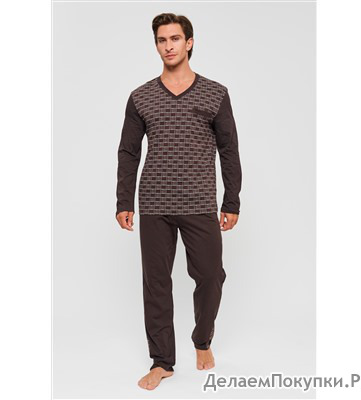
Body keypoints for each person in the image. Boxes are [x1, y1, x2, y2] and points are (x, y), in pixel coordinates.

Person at [115, 12, 242, 390]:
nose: (168, 46)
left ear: (189, 43)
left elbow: (229, 149)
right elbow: (128, 152)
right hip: (154, 203)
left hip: (200, 202)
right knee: (156, 283)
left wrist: (231, 201)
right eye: (161, 40)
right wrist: (124, 200)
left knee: (210, 275)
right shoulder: (141, 97)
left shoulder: (215, 93)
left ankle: (202, 340)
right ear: (156, 45)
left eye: (174, 39)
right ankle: (162, 361)